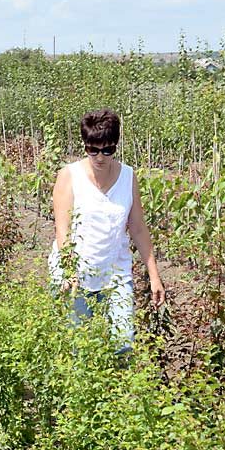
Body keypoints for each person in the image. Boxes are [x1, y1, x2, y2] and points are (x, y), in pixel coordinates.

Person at [49, 108, 164, 350]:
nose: (100, 157)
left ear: (116, 146)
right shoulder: (69, 176)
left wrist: (154, 275)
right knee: (78, 347)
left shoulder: (128, 177)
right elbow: (63, 230)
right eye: (93, 149)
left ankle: (118, 388)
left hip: (115, 273)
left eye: (107, 150)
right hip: (76, 275)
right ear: (85, 145)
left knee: (123, 344)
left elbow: (138, 229)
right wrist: (69, 271)